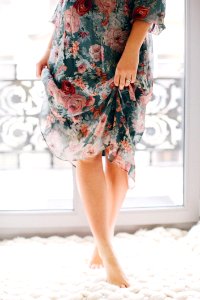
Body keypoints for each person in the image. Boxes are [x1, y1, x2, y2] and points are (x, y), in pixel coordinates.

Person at [36, 0, 166, 288]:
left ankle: (102, 237)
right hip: (72, 59)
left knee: (119, 155)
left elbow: (150, 3)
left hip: (121, 57)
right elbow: (64, 6)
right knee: (87, 154)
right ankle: (107, 250)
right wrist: (48, 49)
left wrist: (132, 51)